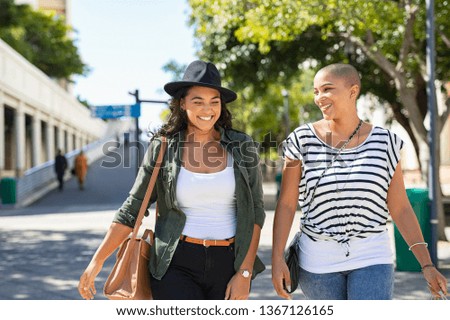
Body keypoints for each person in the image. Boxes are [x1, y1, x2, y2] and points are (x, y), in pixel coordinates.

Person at [78, 60, 266, 300]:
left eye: (214, 102)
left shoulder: (242, 146)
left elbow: (256, 213)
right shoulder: (163, 147)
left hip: (229, 262)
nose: (207, 109)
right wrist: (97, 261)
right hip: (175, 262)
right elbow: (132, 209)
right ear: (182, 103)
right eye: (198, 101)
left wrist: (245, 272)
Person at [272, 63, 448, 300]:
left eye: (327, 89)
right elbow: (286, 204)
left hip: (372, 256)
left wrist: (426, 264)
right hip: (318, 262)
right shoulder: (301, 139)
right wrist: (276, 260)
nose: (319, 98)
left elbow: (401, 208)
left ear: (353, 91)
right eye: (315, 91)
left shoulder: (386, 142)